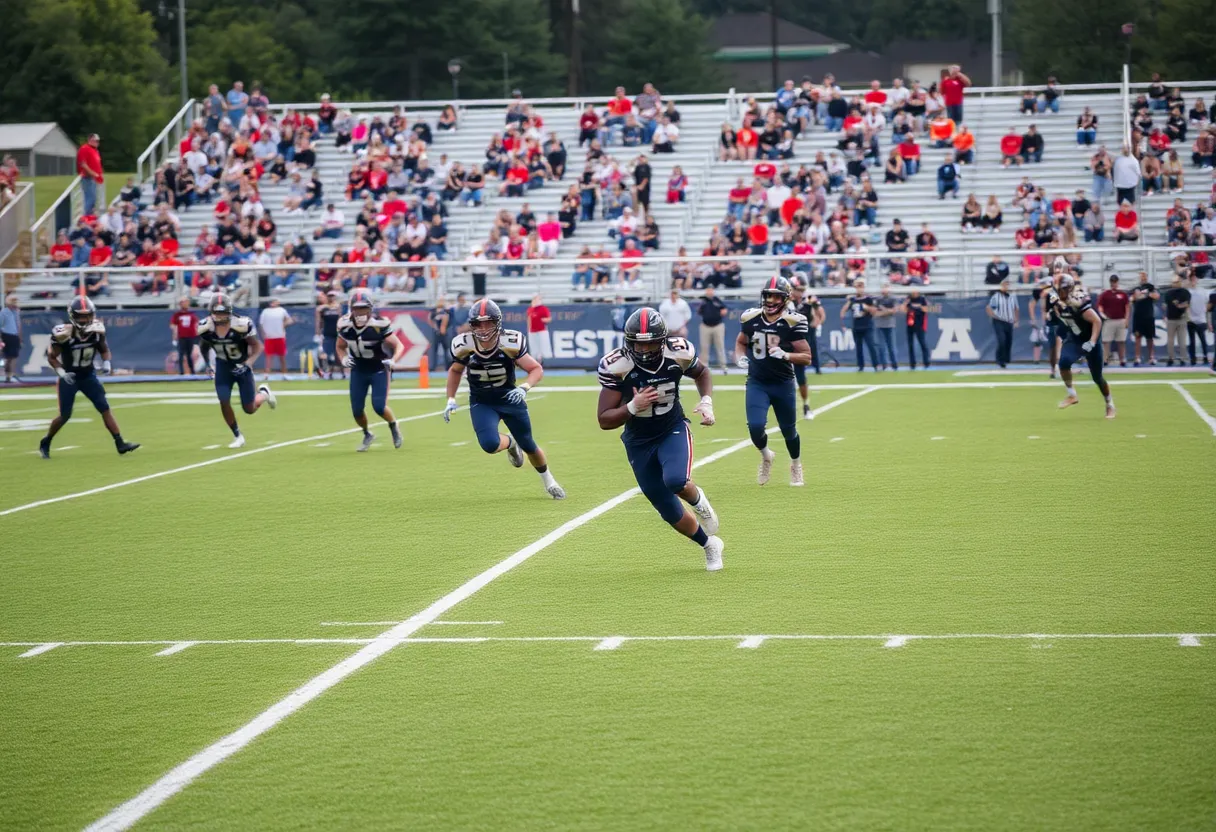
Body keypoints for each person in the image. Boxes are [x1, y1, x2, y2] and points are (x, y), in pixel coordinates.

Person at [596, 308, 723, 570]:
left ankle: (699, 501)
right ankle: (709, 545)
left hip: (671, 428)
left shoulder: (678, 352)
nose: (643, 350)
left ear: (663, 339)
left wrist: (707, 402)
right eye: (637, 343)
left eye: (650, 342)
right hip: (638, 440)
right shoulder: (617, 365)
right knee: (667, 509)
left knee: (675, 480)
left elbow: (702, 373)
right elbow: (604, 420)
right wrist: (633, 406)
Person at [443, 299, 565, 500]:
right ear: (472, 325)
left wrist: (524, 388)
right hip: (482, 401)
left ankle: (549, 481)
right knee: (489, 444)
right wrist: (450, 399)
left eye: (488, 322)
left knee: (529, 444)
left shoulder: (510, 342)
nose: (483, 328)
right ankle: (510, 443)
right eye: (478, 323)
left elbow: (535, 369)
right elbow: (455, 371)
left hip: (510, 398)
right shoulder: (463, 344)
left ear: (497, 322)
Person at [39, 297, 140, 458]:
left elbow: (104, 349)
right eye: (81, 316)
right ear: (72, 316)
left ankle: (120, 443)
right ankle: (46, 441)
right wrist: (62, 373)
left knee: (104, 408)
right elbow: (51, 357)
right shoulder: (64, 334)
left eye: (87, 315)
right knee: (65, 415)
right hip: (70, 377)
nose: (84, 319)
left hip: (88, 375)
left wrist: (106, 362)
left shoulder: (96, 331)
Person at [735, 277, 812, 486]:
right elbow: (741, 341)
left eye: (776, 295)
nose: (770, 300)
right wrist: (740, 356)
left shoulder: (792, 321)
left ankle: (796, 464)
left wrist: (787, 355)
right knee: (755, 427)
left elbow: (806, 356)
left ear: (785, 299)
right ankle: (767, 455)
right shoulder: (750, 318)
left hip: (783, 382)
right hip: (757, 381)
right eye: (768, 295)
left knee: (789, 430)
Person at [197, 293, 277, 448]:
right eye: (217, 313)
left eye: (223, 312)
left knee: (249, 408)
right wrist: (208, 364)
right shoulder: (206, 327)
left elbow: (257, 346)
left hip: (242, 367)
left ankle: (264, 394)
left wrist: (248, 364)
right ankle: (237, 435)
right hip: (223, 367)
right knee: (223, 399)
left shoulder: (241, 324)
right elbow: (204, 346)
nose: (220, 317)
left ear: (230, 311)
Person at [336, 289, 406, 451]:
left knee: (379, 406)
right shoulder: (344, 325)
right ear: (351, 309)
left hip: (378, 369)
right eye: (357, 308)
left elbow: (398, 345)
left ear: (370, 308)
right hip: (358, 370)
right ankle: (367, 434)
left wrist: (394, 360)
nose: (360, 312)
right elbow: (340, 347)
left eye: (364, 308)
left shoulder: (379, 324)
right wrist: (344, 358)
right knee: (357, 410)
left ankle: (393, 426)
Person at [1051, 279, 1115, 419]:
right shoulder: (1056, 301)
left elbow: (1097, 321)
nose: (1058, 292)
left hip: (1090, 338)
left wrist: (1092, 341)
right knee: (1064, 362)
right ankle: (1072, 395)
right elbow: (1061, 318)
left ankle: (1109, 404)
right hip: (1075, 337)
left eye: (1061, 289)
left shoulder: (1078, 301)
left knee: (1097, 377)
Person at [788, 278, 825, 416]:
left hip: (801, 343)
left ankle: (806, 405)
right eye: (799, 290)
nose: (801, 293)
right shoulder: (783, 301)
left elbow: (820, 312)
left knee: (801, 376)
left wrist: (817, 322)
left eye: (803, 290)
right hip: (785, 343)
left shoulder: (808, 299)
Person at [842, 278, 880, 371]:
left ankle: (876, 365)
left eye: (861, 286)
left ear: (863, 287)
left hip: (867, 325)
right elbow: (843, 311)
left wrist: (866, 307)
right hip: (857, 325)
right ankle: (860, 366)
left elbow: (874, 311)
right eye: (857, 287)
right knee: (858, 348)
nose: (859, 289)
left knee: (871, 345)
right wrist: (843, 323)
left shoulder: (868, 299)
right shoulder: (852, 299)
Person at [1097, 275, 1130, 366]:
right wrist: (1102, 313)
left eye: (1115, 282)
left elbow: (1127, 308)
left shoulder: (1123, 294)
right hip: (1109, 320)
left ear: (1117, 282)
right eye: (1112, 282)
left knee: (1121, 341)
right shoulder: (1105, 294)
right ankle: (1105, 359)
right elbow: (1100, 305)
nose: (1113, 283)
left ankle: (1122, 359)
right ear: (1110, 282)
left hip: (1121, 320)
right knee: (1106, 341)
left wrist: (1126, 319)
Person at [258, 298, 294, 380]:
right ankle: (266, 374)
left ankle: (284, 374)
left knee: (282, 357)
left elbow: (290, 320)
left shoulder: (282, 310)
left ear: (277, 303)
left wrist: (283, 325)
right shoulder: (265, 311)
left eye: (275, 302)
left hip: (280, 336)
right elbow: (261, 324)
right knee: (268, 356)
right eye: (272, 302)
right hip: (269, 337)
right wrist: (263, 334)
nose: (273, 303)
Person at [987, 279, 1018, 368]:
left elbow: (1016, 308)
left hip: (1009, 320)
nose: (1006, 287)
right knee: (1002, 340)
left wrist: (1016, 320)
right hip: (999, 320)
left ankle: (1006, 359)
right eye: (1004, 285)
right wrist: (994, 316)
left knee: (1008, 340)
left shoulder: (1012, 296)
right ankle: (999, 359)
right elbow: (989, 307)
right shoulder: (996, 296)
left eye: (1007, 285)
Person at [1129, 272, 1158, 366]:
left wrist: (1146, 294)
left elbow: (1156, 296)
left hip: (1149, 316)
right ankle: (1137, 358)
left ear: (1147, 277)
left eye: (1144, 276)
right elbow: (1132, 298)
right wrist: (1138, 296)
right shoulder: (1135, 288)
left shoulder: (1151, 287)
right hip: (1138, 316)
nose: (1143, 278)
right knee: (1138, 337)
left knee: (1150, 338)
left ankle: (1151, 357)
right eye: (1141, 276)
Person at [698, 286, 728, 373]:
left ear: (713, 291)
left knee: (720, 346)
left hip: (717, 325)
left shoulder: (717, 300)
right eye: (708, 290)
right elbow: (699, 311)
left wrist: (722, 311)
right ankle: (704, 367)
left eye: (711, 290)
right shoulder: (703, 301)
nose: (709, 292)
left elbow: (724, 309)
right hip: (706, 326)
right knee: (704, 347)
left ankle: (724, 366)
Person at [1163, 276, 1191, 366]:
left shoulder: (1185, 292)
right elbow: (1165, 305)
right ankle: (1171, 358)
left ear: (1180, 282)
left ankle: (1182, 358)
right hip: (1171, 318)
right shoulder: (1168, 293)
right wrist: (1165, 314)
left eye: (1177, 282)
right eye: (1174, 282)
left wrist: (1179, 306)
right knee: (1170, 341)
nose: (1175, 283)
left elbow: (1187, 303)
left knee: (1182, 340)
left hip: (1181, 318)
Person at [316, 291, 344, 378]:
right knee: (329, 354)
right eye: (330, 296)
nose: (331, 298)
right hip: (327, 333)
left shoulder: (337, 307)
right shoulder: (322, 308)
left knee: (338, 354)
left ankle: (342, 373)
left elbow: (340, 319)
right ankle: (329, 372)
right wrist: (317, 333)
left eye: (333, 296)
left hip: (337, 333)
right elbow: (318, 322)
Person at [872, 283, 900, 370]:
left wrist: (884, 310)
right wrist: (887, 311)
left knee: (892, 347)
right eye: (883, 288)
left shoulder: (893, 299)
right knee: (881, 347)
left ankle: (894, 365)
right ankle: (884, 365)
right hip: (880, 325)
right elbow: (875, 313)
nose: (884, 290)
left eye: (886, 287)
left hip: (890, 325)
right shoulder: (878, 299)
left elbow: (894, 311)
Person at [169, 297, 199, 375]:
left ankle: (192, 372)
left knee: (189, 355)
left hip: (190, 336)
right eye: (184, 302)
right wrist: (175, 333)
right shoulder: (177, 315)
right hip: (181, 336)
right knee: (181, 354)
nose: (186, 304)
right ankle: (181, 372)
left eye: (187, 302)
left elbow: (196, 324)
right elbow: (172, 325)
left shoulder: (191, 314)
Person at [76, 134, 104, 217]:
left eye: (98, 141)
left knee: (94, 199)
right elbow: (83, 164)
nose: (97, 142)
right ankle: (86, 217)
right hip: (88, 177)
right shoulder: (84, 148)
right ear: (90, 140)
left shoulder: (95, 151)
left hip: (95, 179)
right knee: (90, 198)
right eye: (95, 140)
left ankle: (91, 216)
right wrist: (93, 173)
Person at [903, 287, 930, 369]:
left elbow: (926, 310)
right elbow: (903, 309)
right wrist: (905, 303)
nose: (914, 292)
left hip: (919, 324)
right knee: (910, 345)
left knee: (923, 343)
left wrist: (918, 306)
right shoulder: (908, 299)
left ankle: (926, 362)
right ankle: (912, 363)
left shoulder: (922, 299)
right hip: (910, 324)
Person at [526, 294, 552, 363]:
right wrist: (529, 329)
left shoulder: (543, 308)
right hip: (532, 331)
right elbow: (529, 319)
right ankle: (534, 360)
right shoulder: (530, 309)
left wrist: (544, 320)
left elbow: (549, 318)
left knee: (541, 346)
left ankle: (540, 360)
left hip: (541, 330)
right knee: (534, 346)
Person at [1, 294, 21, 383]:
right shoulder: (4, 312)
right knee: (8, 357)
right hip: (6, 335)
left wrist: (20, 336)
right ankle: (8, 375)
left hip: (14, 335)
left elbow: (18, 325)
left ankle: (11, 374)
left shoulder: (16, 312)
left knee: (14, 356)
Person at [428, 297, 451, 372]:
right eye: (439, 301)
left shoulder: (446, 310)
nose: (440, 302)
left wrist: (443, 326)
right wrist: (435, 328)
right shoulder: (433, 311)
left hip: (444, 334)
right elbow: (430, 319)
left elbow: (447, 318)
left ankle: (448, 366)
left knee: (446, 350)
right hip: (436, 333)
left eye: (442, 301)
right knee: (434, 350)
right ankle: (433, 367)